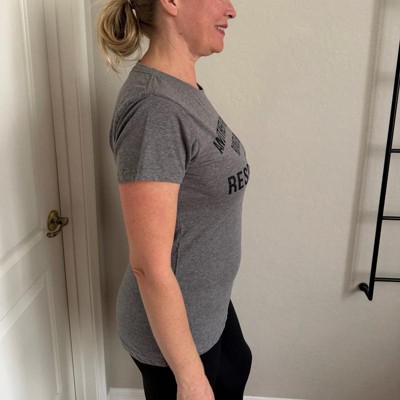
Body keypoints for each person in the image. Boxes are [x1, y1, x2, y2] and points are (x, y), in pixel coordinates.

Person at [97, 0, 252, 399]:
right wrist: (190, 378)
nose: (231, 10)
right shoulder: (155, 111)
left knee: (239, 364)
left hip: (206, 306)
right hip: (176, 337)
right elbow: (148, 266)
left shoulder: (181, 87)